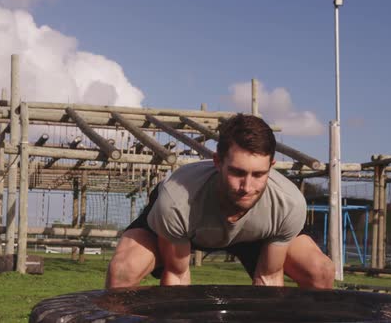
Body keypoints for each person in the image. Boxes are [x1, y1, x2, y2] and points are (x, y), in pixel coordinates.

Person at [106, 114, 334, 288]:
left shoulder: (288, 204)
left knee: (321, 271)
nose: (247, 187)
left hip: (255, 235)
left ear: (271, 168)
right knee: (122, 270)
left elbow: (269, 277)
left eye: (258, 175)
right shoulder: (177, 200)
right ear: (217, 162)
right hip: (186, 227)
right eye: (237, 172)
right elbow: (177, 275)